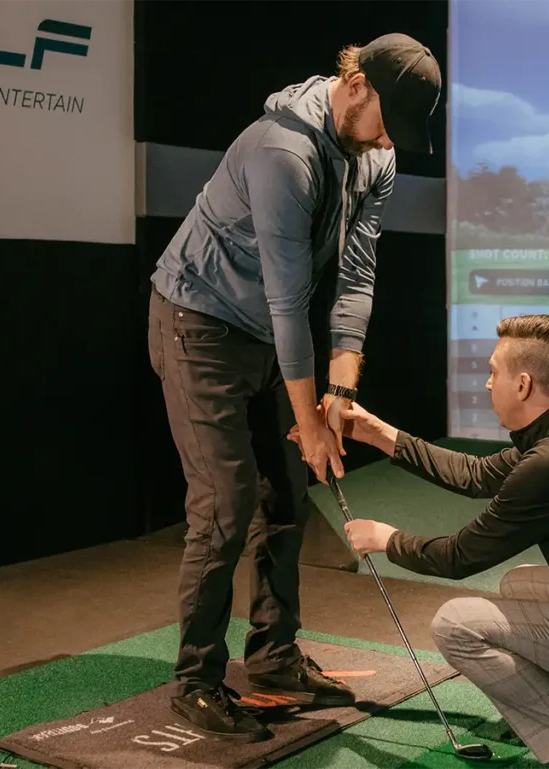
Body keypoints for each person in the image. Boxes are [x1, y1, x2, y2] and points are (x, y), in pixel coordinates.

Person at [146, 33, 442, 742]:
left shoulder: (375, 155)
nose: (387, 142)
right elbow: (287, 300)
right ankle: (195, 679)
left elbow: (356, 277)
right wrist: (309, 421)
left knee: (284, 497)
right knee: (224, 505)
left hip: (263, 332)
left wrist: (338, 394)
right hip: (199, 323)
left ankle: (274, 659)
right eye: (386, 121)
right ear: (359, 84)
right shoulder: (284, 153)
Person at [293, 314, 549, 768]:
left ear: (523, 385)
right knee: (520, 585)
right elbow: (476, 474)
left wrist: (387, 538)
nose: (486, 383)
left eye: (493, 372)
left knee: (457, 625)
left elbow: (459, 556)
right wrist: (378, 433)